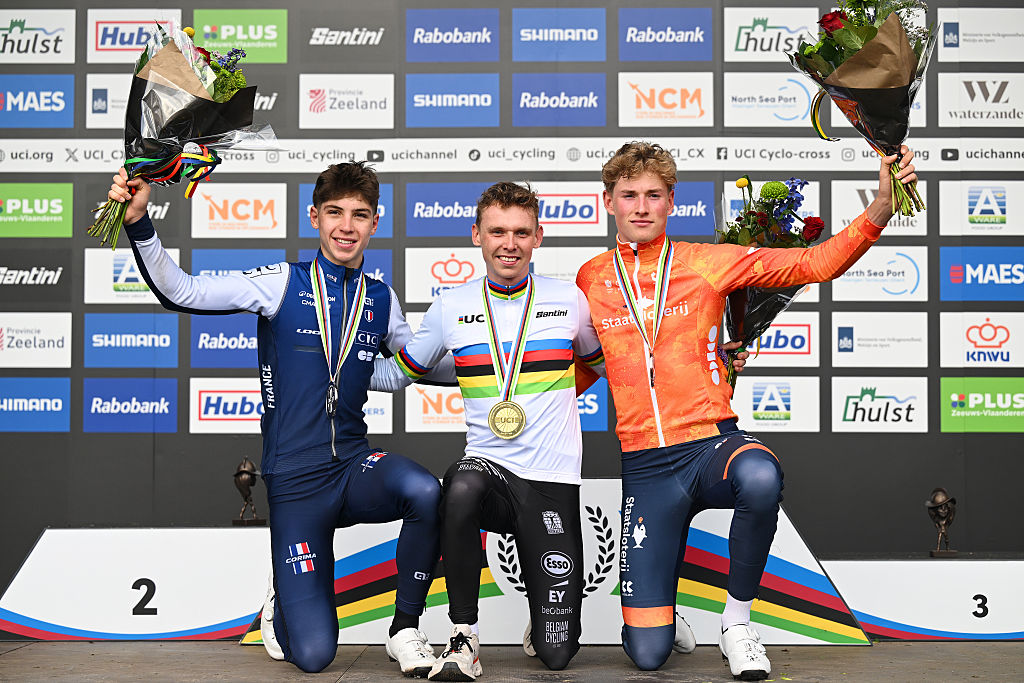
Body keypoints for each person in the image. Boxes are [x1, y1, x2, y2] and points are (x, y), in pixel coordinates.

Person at [575, 142, 917, 679]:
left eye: (654, 195)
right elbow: (587, 365)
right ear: (608, 202)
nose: (641, 206)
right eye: (629, 195)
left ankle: (736, 623)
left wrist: (880, 207)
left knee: (759, 477)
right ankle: (661, 613)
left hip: (710, 445)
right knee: (647, 655)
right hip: (645, 466)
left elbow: (813, 263)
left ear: (671, 202)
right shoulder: (590, 278)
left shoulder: (708, 262)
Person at [107, 162, 454, 676]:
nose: (346, 226)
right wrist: (138, 221)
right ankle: (282, 600)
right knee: (314, 657)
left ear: (375, 223)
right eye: (334, 212)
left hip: (352, 467)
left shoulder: (380, 298)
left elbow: (413, 368)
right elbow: (183, 291)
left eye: (360, 215)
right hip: (295, 483)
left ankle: (404, 628)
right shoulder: (279, 283)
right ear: (314, 217)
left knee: (425, 491)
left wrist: (506, 361)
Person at [370, 182, 606, 681]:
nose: (509, 244)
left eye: (521, 232)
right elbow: (396, 375)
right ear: (477, 235)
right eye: (498, 231)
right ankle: (465, 635)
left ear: (538, 237)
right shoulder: (450, 306)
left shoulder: (570, 300)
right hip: (490, 471)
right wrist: (328, 365)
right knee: (459, 486)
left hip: (552, 482)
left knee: (557, 655)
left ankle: (545, 613)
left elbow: (606, 364)